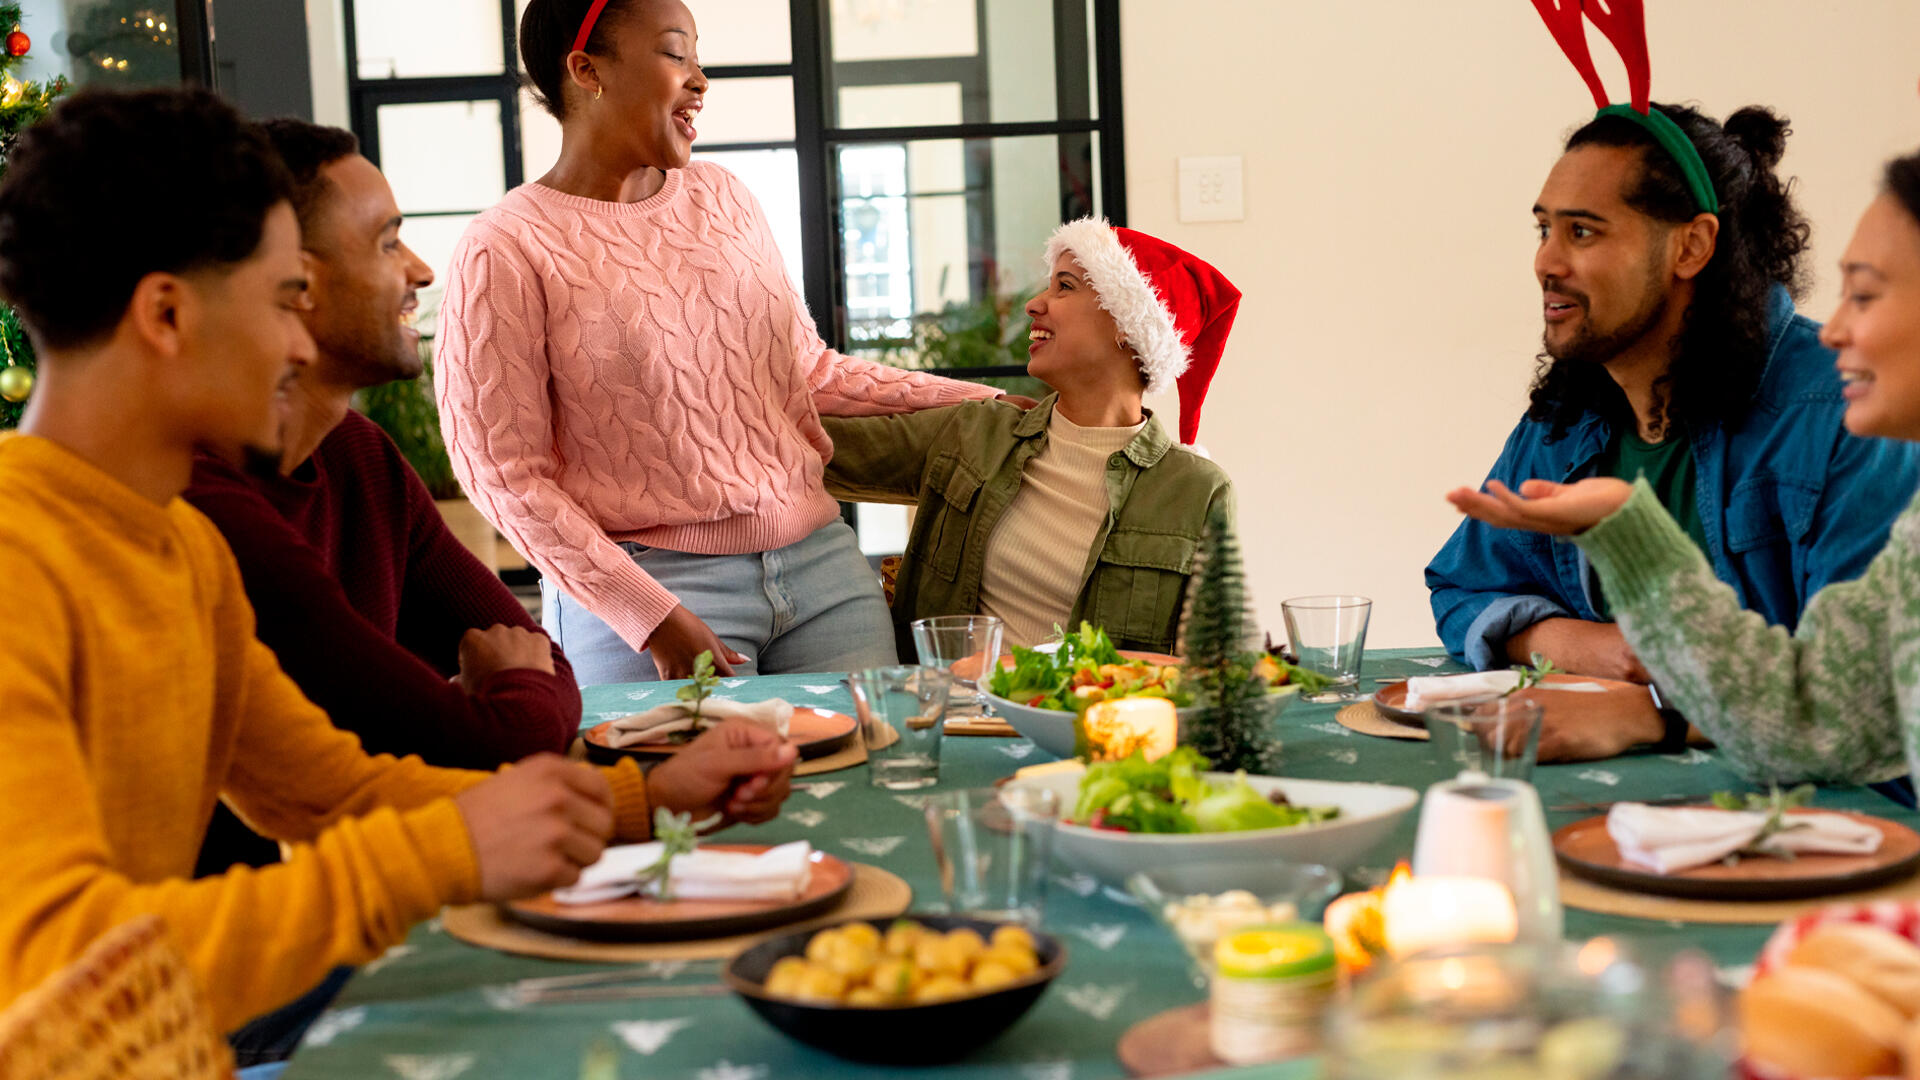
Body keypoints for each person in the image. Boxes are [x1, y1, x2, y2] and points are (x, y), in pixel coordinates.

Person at [0, 87, 795, 1051]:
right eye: (283, 300)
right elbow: (58, 971)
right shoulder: (19, 560)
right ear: (167, 314)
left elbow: (331, 792)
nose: (301, 343)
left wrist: (644, 801)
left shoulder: (178, 549)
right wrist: (449, 852)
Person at [435, 0, 1013, 686]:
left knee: (879, 780)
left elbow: (806, 370)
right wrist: (647, 613)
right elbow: (503, 472)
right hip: (649, 589)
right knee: (673, 794)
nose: (700, 79)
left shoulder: (724, 198)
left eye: (697, 57)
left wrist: (996, 403)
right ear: (587, 70)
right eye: (677, 54)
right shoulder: (504, 246)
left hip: (821, 572)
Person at [1424, 102, 1919, 758]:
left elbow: (1845, 712)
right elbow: (1464, 585)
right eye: (1544, 229)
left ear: (1691, 246)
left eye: (1583, 233)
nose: (1546, 261)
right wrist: (1593, 648)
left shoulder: (1851, 409)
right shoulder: (1567, 415)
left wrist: (1655, 710)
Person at [185, 120, 580, 874]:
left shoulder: (359, 456)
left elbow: (537, 662)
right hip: (258, 934)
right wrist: (516, 695)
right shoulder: (206, 503)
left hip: (375, 888)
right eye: (388, 242)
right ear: (294, 283)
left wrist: (517, 692)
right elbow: (484, 744)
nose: (423, 272)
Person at [823, 219, 1237, 655]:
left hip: (1092, 722)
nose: (1035, 304)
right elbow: (812, 453)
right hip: (955, 715)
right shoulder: (974, 433)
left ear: (1126, 324)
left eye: (1065, 286)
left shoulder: (1196, 491)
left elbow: (1212, 672)